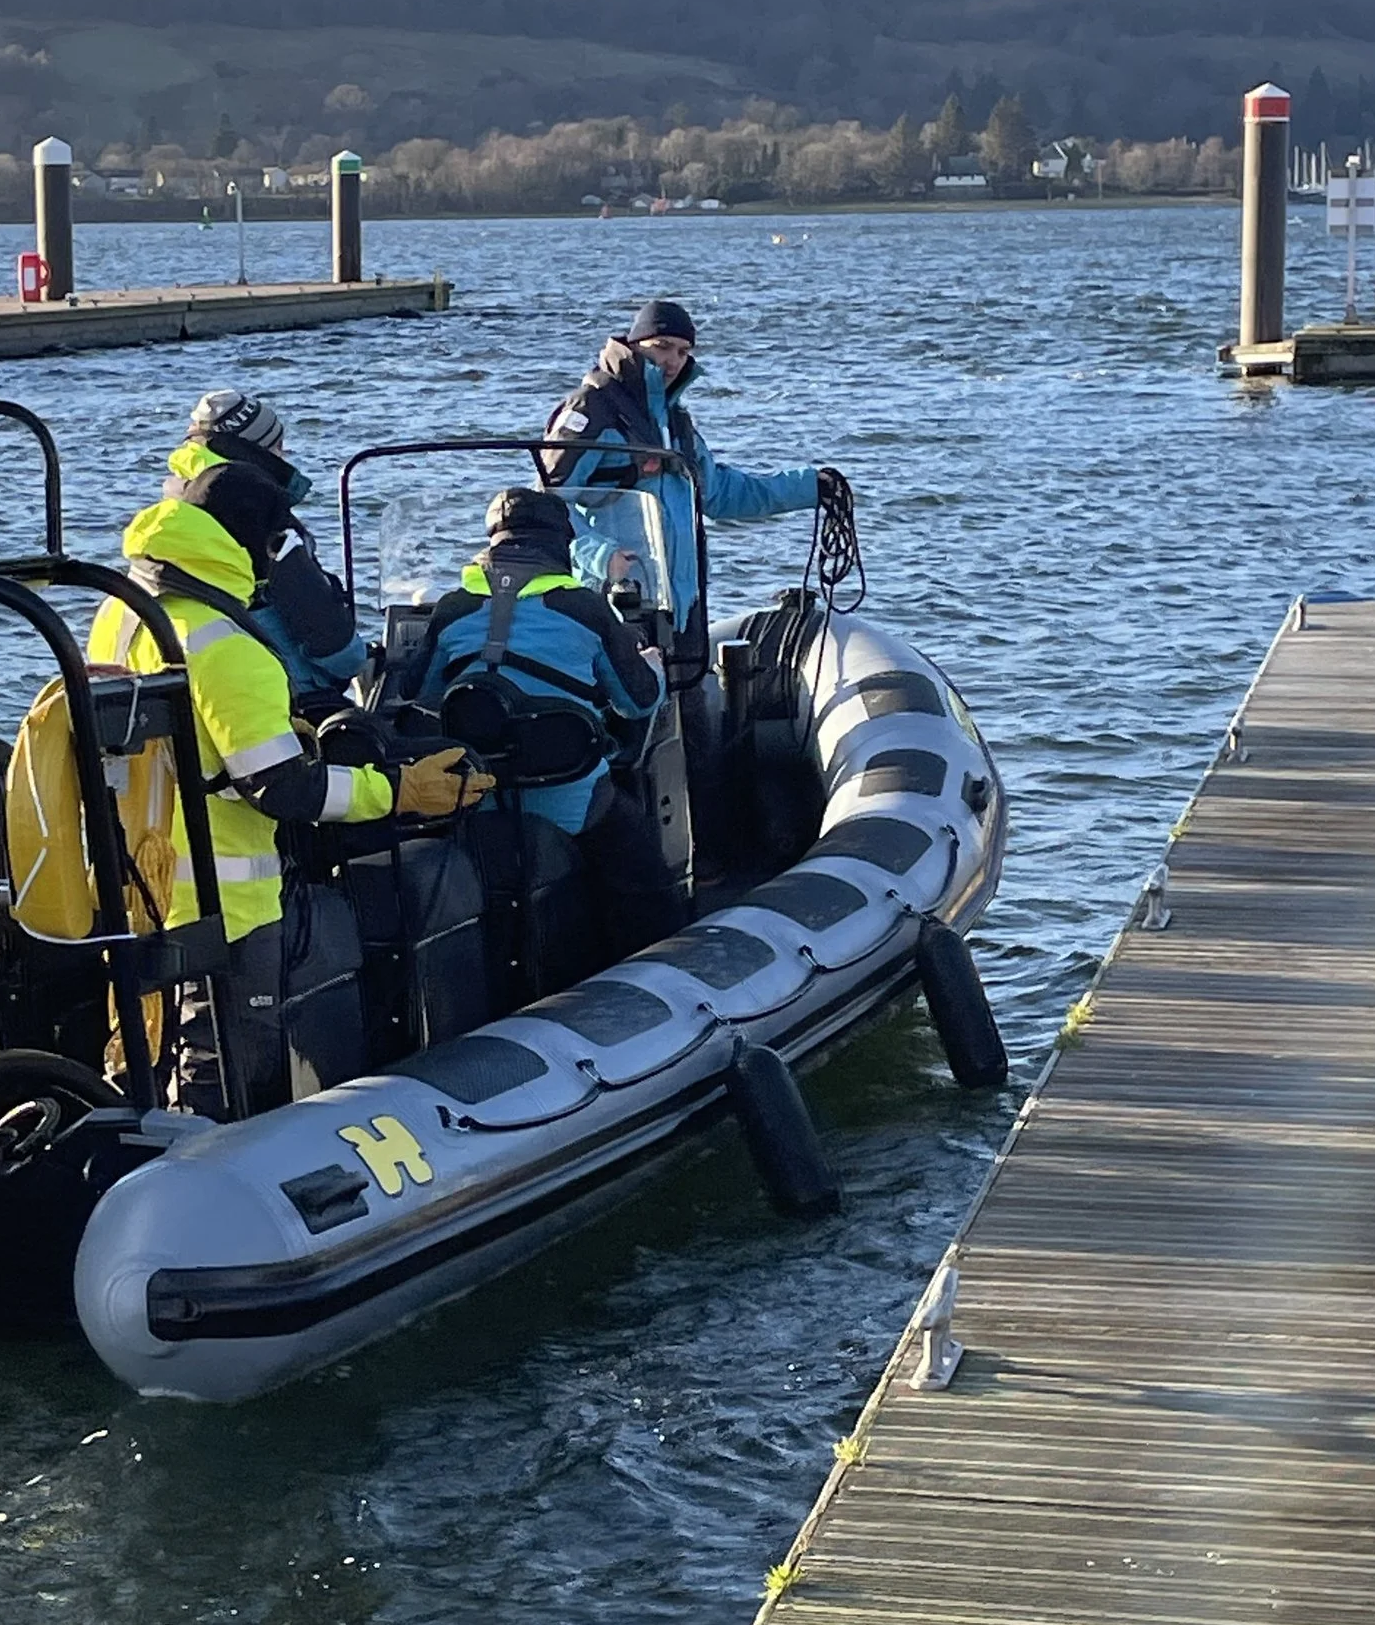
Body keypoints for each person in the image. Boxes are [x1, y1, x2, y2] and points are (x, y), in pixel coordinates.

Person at [89, 459, 484, 1112]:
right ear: (259, 545)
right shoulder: (230, 644)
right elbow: (282, 789)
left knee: (144, 1052)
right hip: (226, 904)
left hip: (134, 886)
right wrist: (397, 790)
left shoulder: (122, 612)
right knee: (225, 1069)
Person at [395, 488, 685, 958]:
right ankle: (655, 963)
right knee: (641, 871)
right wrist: (648, 662)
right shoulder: (585, 607)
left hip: (475, 797)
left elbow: (418, 694)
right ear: (560, 546)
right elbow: (637, 703)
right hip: (572, 802)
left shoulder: (452, 608)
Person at [538, 298, 840, 646]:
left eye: (682, 352)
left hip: (681, 610)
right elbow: (546, 504)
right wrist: (601, 557)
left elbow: (721, 494)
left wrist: (810, 489)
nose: (672, 362)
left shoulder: (676, 421)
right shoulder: (591, 410)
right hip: (614, 605)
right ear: (634, 345)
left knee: (688, 697)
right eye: (662, 347)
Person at [162, 387, 369, 711]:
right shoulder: (256, 509)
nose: (284, 457)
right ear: (259, 452)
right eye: (279, 447)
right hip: (287, 695)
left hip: (199, 687)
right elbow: (338, 652)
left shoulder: (173, 509)